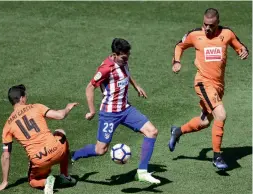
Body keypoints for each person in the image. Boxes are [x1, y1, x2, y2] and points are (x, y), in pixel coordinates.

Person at [168, 8, 249, 170]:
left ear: (218, 23)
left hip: (219, 86)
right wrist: (176, 61)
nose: (207, 28)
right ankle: (217, 156)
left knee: (204, 122)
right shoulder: (195, 35)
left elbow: (240, 47)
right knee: (221, 114)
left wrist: (243, 51)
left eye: (211, 25)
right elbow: (179, 46)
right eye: (205, 24)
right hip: (203, 83)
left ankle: (177, 131)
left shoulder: (227, 33)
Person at [71, 38, 160, 184]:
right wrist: (92, 111)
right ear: (114, 54)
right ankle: (75, 154)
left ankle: (142, 172)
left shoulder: (123, 61)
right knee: (101, 150)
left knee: (152, 132)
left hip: (126, 109)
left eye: (128, 55)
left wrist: (136, 86)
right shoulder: (105, 68)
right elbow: (89, 87)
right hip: (109, 114)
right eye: (124, 57)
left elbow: (127, 74)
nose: (127, 59)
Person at [0, 84, 79, 194]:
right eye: (25, 95)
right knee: (60, 132)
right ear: (21, 98)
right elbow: (60, 115)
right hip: (57, 149)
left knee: (32, 181)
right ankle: (65, 175)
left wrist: (5, 181)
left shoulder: (7, 125)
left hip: (39, 160)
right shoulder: (36, 107)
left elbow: (6, 155)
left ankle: (45, 182)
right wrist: (68, 107)